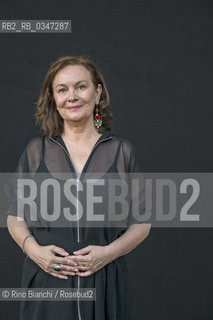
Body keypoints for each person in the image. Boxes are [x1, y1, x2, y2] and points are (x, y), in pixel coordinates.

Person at [6, 56, 151, 320]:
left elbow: (143, 222)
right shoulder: (35, 152)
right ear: (53, 98)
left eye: (80, 87)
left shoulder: (122, 152)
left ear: (97, 92)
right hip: (48, 278)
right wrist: (35, 252)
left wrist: (106, 254)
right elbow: (15, 217)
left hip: (104, 278)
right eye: (62, 89)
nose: (71, 96)